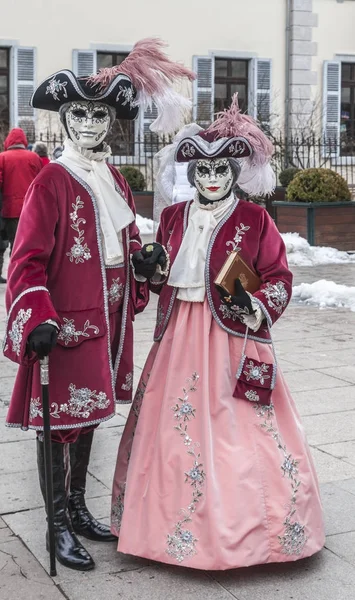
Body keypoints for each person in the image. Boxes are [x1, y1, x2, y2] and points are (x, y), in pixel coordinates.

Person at [3, 38, 194, 571]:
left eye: (99, 114)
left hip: (107, 318)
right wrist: (36, 315)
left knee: (88, 418)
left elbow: (123, 240)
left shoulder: (112, 178)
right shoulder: (51, 180)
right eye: (78, 114)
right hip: (66, 321)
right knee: (60, 421)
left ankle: (81, 508)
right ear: (65, 120)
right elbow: (25, 261)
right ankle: (57, 522)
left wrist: (144, 260)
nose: (89, 124)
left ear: (112, 121)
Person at [111, 95, 325, 570]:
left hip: (230, 336)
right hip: (177, 336)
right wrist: (149, 270)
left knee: (240, 429)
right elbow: (164, 273)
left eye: (220, 172)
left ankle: (253, 531)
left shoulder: (254, 219)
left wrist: (257, 304)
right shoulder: (171, 218)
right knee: (170, 434)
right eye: (202, 172)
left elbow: (279, 277)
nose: (210, 180)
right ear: (192, 176)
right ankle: (160, 529)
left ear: (234, 174)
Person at [0, 128, 42, 257]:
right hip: (30, 210)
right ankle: (21, 275)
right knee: (25, 246)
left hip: (9, 210)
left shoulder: (2, 158)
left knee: (9, 243)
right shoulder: (34, 157)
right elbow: (42, 183)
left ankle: (9, 274)